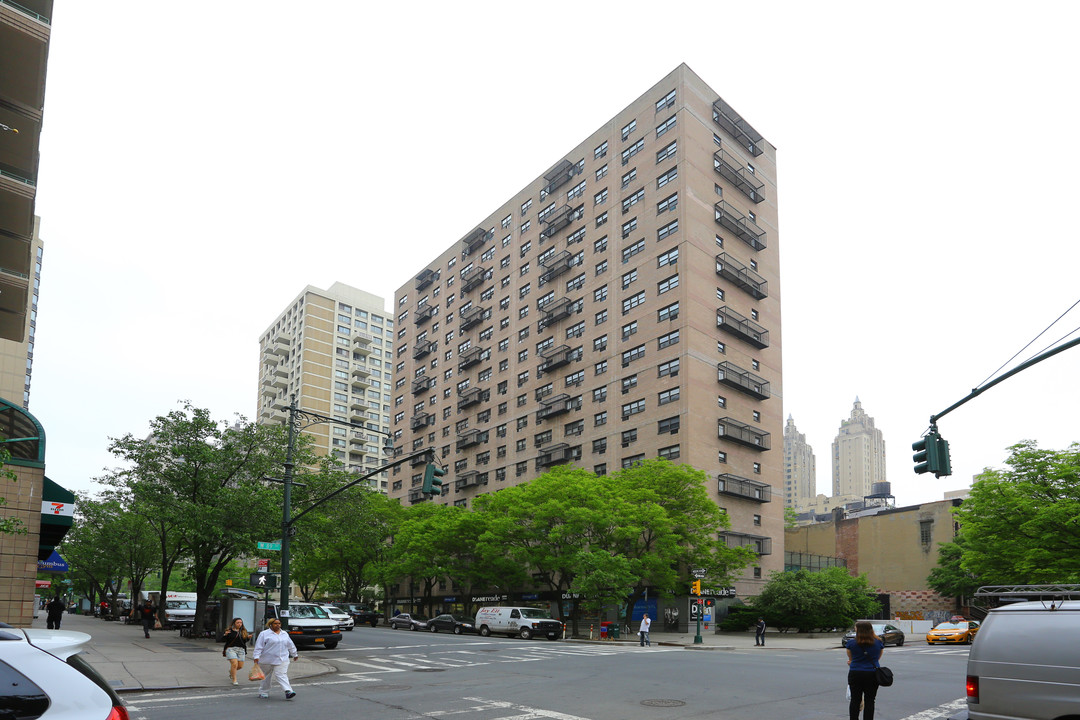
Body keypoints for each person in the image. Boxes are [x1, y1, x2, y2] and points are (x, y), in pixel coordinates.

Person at [845, 620, 884, 720]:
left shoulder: (851, 643)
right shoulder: (878, 642)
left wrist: (851, 661)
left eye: (855, 628)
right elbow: (877, 658)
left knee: (855, 700)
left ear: (858, 630)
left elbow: (850, 659)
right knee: (870, 700)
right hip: (872, 674)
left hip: (855, 673)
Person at [252, 618, 298, 700]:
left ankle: (288, 691)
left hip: (282, 658)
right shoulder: (264, 634)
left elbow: (290, 644)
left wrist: (294, 654)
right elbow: (259, 646)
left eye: (279, 623)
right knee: (266, 677)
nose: (278, 625)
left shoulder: (284, 634)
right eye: (275, 623)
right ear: (270, 625)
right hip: (267, 659)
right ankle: (263, 692)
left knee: (281, 674)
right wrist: (256, 656)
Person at [222, 617, 251, 686]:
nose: (239, 624)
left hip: (241, 650)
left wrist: (248, 638)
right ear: (234, 623)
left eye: (241, 623)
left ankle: (231, 671)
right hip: (231, 649)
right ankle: (234, 679)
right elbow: (223, 640)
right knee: (234, 664)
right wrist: (225, 635)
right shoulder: (229, 631)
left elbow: (244, 641)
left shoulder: (243, 631)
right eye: (238, 623)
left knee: (240, 666)